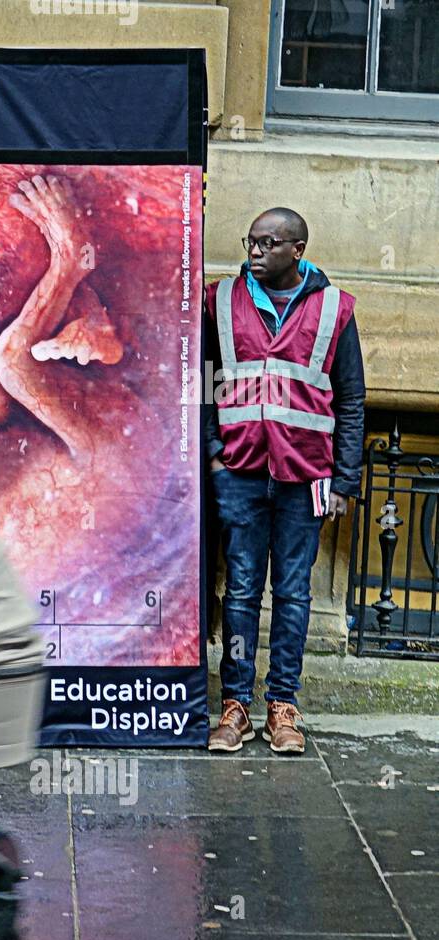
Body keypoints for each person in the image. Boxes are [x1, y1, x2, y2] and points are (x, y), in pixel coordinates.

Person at [204, 208, 365, 755]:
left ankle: (283, 706)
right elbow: (204, 380)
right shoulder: (221, 301)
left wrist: (344, 480)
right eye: (251, 240)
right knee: (243, 590)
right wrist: (212, 456)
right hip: (242, 471)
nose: (256, 250)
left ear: (297, 249)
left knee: (294, 594)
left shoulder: (334, 310)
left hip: (306, 475)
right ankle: (235, 706)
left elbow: (351, 398)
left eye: (269, 242)